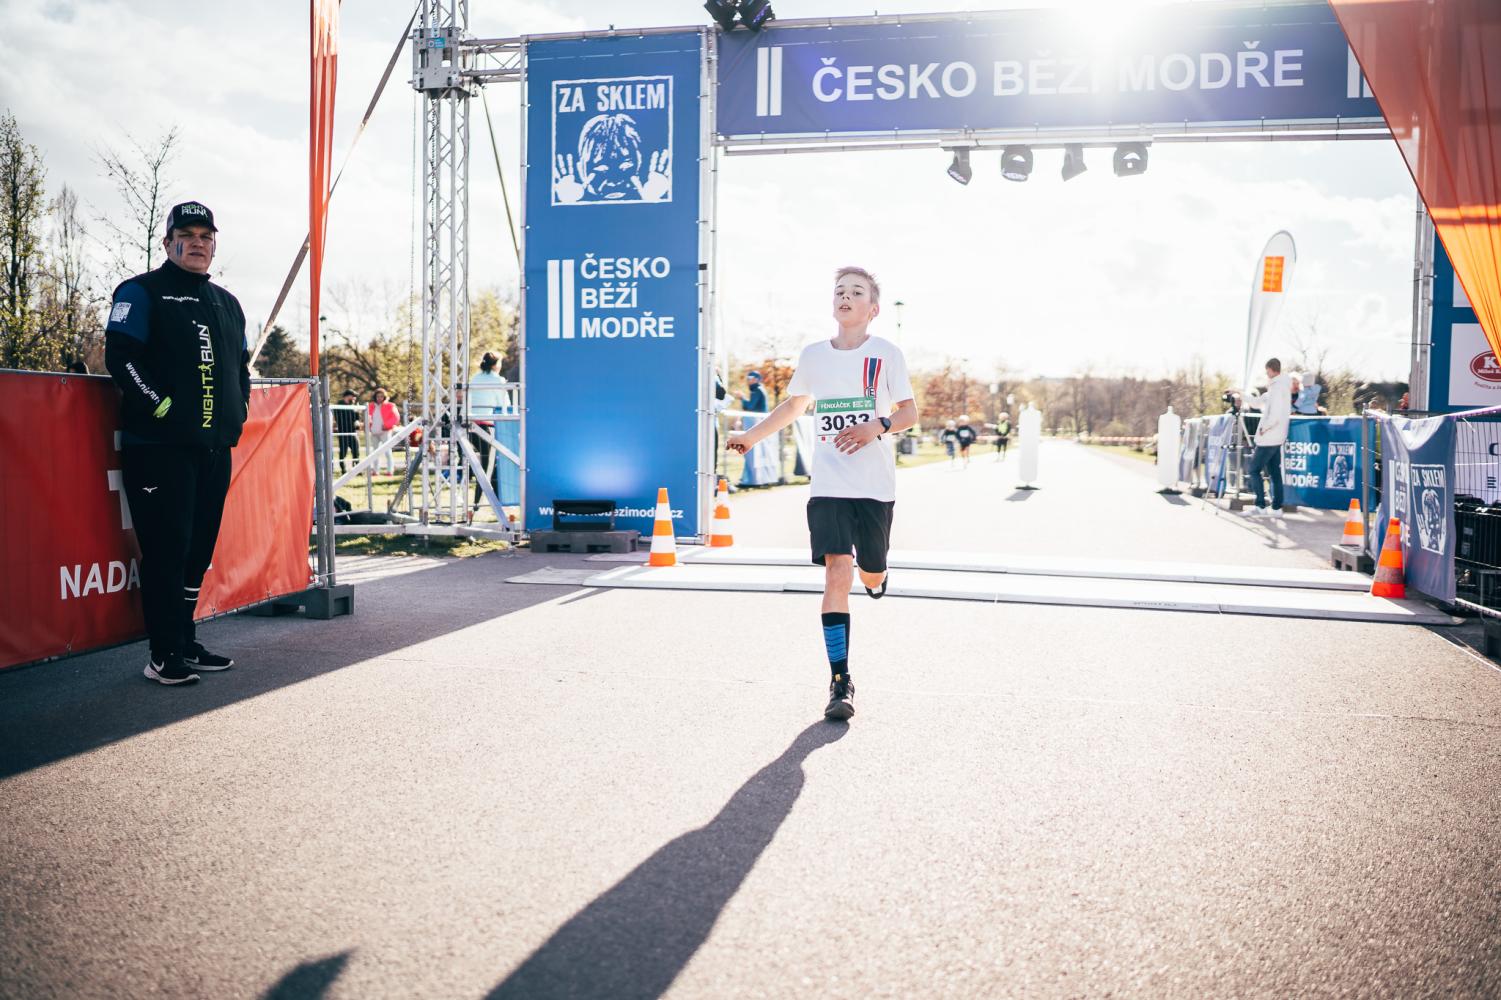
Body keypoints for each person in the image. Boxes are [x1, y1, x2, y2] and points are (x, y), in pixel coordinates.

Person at [727, 266, 916, 721]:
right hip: (829, 484)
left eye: (856, 292)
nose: (845, 297)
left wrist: (878, 425)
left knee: (869, 574)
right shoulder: (814, 355)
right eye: (839, 291)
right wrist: (751, 436)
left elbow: (909, 412)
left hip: (874, 486)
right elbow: (795, 405)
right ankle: (840, 680)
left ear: (873, 309)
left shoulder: (886, 354)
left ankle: (877, 576)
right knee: (836, 572)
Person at [104, 200, 249, 686]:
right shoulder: (141, 291)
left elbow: (241, 369)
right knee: (168, 551)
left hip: (214, 448)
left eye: (205, 236)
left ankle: (185, 642)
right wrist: (160, 405)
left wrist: (239, 411)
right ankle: (163, 653)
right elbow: (121, 357)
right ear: (168, 244)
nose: (197, 243)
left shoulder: (227, 303)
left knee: (197, 553)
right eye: (186, 236)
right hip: (158, 447)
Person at [1241, 357, 1291, 518]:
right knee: (1274, 472)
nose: (1266, 373)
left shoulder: (1277, 388)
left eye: (1267, 370)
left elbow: (1274, 414)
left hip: (1269, 436)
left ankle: (1260, 505)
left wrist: (1264, 428)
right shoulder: (1280, 387)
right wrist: (1240, 394)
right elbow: (1257, 402)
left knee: (1254, 469)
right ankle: (1276, 508)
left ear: (1270, 369)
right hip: (1277, 436)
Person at [468, 351, 508, 506]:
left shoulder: (475, 378)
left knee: (488, 465)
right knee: (488, 466)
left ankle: (492, 501)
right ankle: (483, 503)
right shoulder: (498, 380)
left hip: (470, 425)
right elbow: (504, 405)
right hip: (486, 425)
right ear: (496, 365)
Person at [366, 387, 401, 474]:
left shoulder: (390, 406)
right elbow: (367, 417)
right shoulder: (370, 406)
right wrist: (368, 427)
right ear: (375, 397)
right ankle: (375, 470)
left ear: (384, 397)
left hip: (385, 431)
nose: (379, 398)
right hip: (374, 432)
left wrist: (386, 426)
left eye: (381, 396)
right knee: (375, 452)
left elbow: (396, 418)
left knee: (387, 451)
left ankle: (390, 470)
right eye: (378, 396)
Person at [333, 388, 361, 474]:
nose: (354, 398)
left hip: (353, 432)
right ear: (347, 396)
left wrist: (357, 411)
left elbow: (356, 419)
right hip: (343, 433)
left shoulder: (353, 405)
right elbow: (339, 419)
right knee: (343, 453)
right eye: (353, 396)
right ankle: (343, 470)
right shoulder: (339, 405)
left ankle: (357, 469)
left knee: (356, 451)